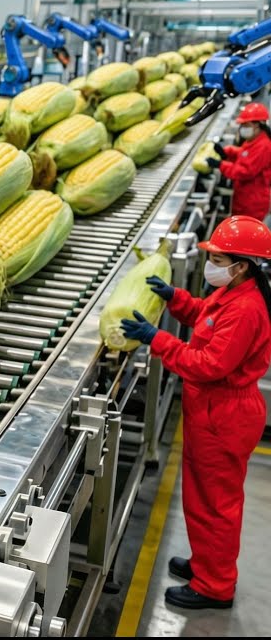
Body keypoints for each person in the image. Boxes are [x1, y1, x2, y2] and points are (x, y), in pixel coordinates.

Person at [120, 214, 271, 610]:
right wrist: (174, 297)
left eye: (219, 259)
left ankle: (216, 585)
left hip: (226, 414)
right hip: (211, 411)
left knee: (216, 505)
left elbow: (207, 363)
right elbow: (205, 316)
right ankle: (206, 564)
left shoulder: (247, 310)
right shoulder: (235, 293)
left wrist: (159, 340)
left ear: (241, 266)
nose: (213, 264)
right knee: (201, 498)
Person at [203, 102, 271, 220]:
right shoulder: (255, 139)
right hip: (244, 196)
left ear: (258, 125)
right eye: (242, 125)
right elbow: (244, 154)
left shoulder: (264, 146)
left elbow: (245, 172)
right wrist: (226, 152)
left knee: (246, 232)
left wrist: (221, 165)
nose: (243, 128)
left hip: (252, 201)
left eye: (246, 125)